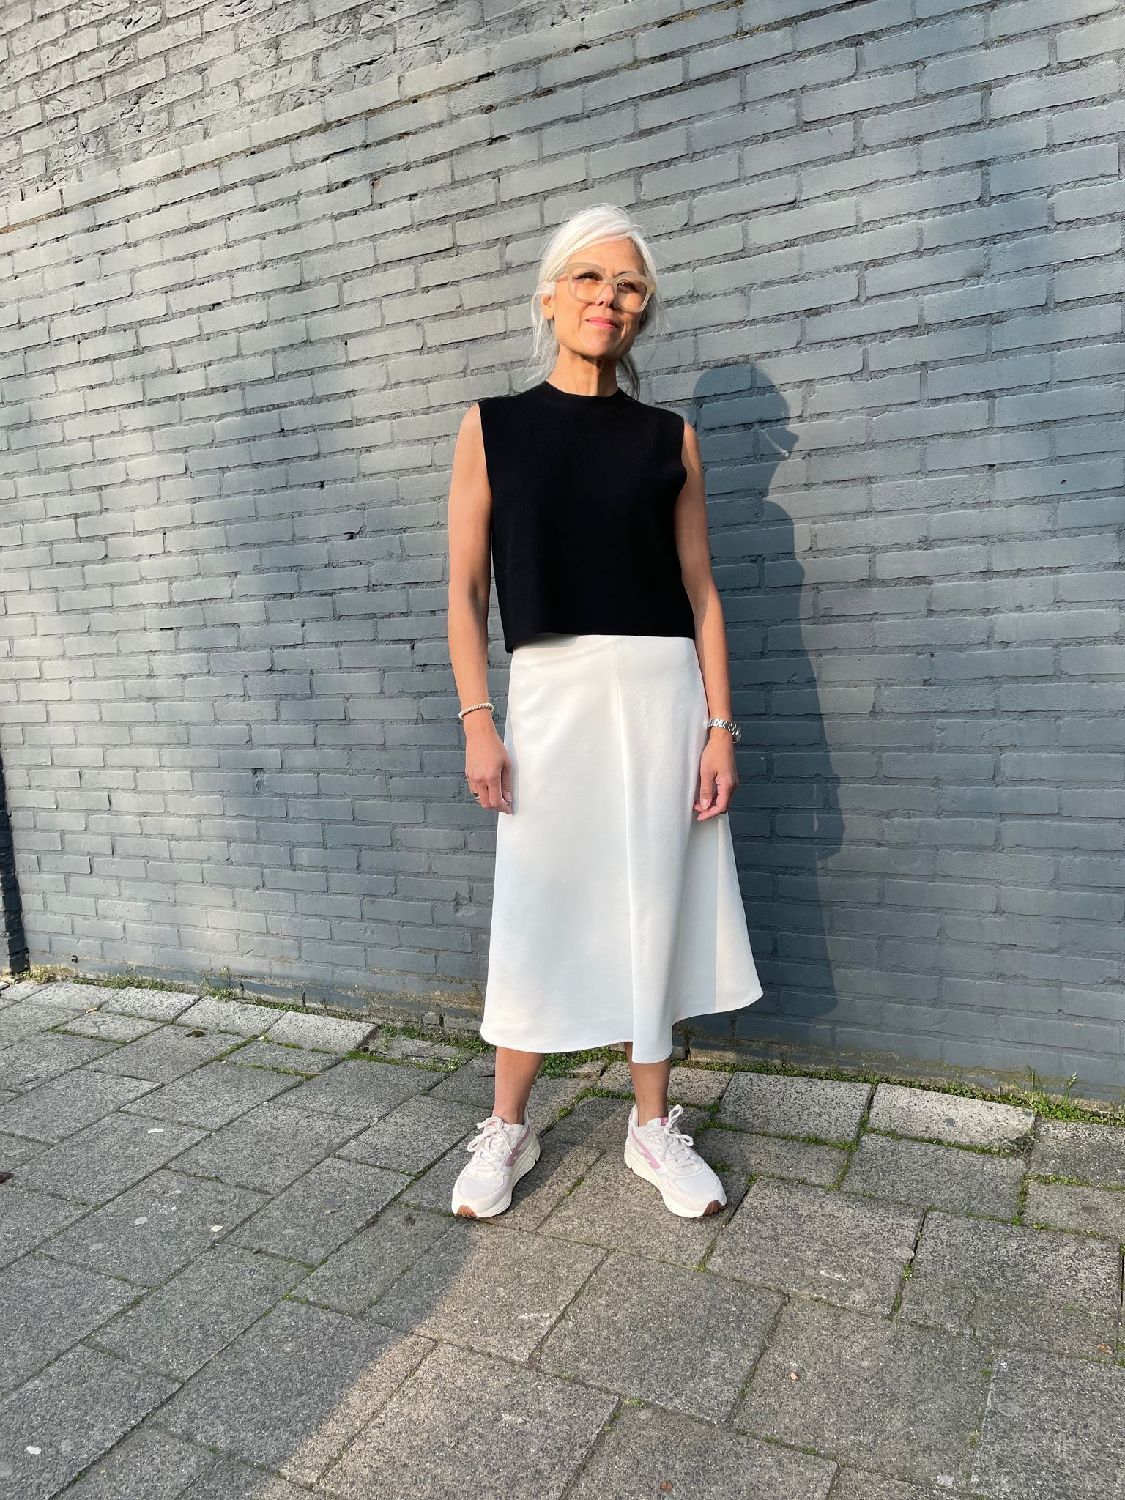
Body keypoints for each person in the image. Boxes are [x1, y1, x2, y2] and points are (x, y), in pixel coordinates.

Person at [444, 204, 763, 1222]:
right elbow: (465, 591)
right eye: (589, 278)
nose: (608, 299)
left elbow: (702, 592)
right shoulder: (492, 428)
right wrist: (478, 718)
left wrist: (720, 727)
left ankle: (650, 1126)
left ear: (642, 312)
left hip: (663, 695)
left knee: (654, 902)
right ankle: (508, 1124)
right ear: (549, 297)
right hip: (551, 696)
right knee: (537, 903)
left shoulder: (671, 439)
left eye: (628, 287)